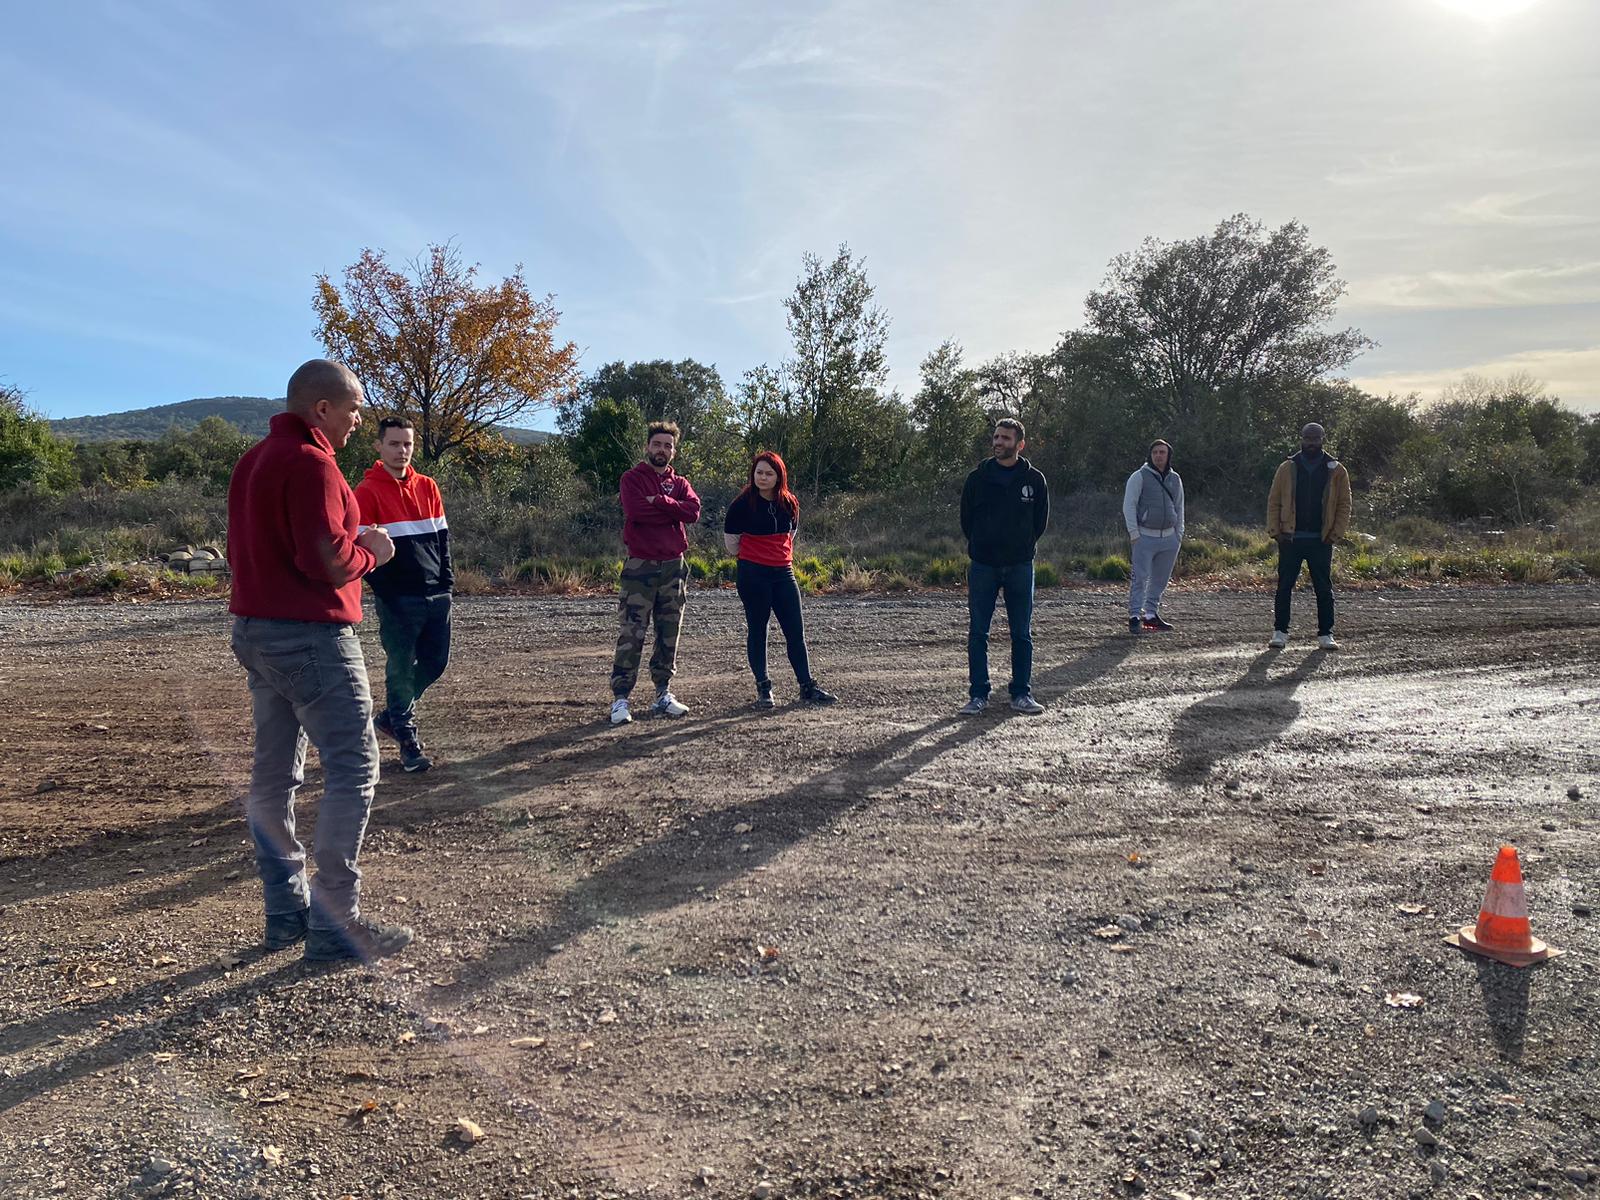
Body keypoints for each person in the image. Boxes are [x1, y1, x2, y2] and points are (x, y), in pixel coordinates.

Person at [226, 358, 414, 963]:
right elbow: (326, 562)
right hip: (312, 635)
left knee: (274, 775)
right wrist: (373, 554)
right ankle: (336, 924)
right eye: (354, 408)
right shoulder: (314, 465)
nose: (360, 418)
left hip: (254, 631)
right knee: (355, 765)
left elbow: (249, 552)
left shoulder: (251, 461)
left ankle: (286, 913)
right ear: (321, 409)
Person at [353, 417, 453, 773]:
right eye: (394, 444)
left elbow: (442, 541)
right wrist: (386, 592)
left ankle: (390, 717)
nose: (402, 451)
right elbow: (363, 549)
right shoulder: (366, 492)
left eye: (407, 444)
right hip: (398, 599)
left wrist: (447, 584)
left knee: (436, 662)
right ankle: (407, 739)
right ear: (379, 447)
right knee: (399, 667)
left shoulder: (428, 486)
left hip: (436, 595)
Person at [722, 451, 838, 708]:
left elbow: (790, 534)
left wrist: (775, 556)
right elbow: (732, 546)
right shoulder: (740, 505)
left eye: (769, 473)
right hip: (753, 574)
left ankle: (807, 686)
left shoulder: (790, 503)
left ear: (779, 476)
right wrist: (757, 555)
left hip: (783, 573)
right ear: (753, 474)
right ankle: (764, 689)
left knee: (795, 632)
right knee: (758, 629)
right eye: (759, 472)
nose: (763, 477)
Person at [610, 421, 702, 724]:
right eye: (658, 444)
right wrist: (670, 509)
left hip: (674, 566)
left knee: (668, 632)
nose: (662, 450)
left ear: (673, 451)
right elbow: (636, 511)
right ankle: (621, 699)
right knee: (632, 632)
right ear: (648, 447)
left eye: (668, 446)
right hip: (640, 566)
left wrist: (661, 501)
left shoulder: (680, 482)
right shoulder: (632, 478)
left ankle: (663, 693)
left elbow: (693, 511)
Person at [959, 417, 1049, 715]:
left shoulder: (1034, 480)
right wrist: (984, 546)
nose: (999, 442)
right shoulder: (977, 478)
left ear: (1019, 444)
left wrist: (1020, 546)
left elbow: (1040, 523)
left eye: (1006, 438)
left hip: (1020, 566)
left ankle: (1021, 694)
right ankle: (978, 695)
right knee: (978, 633)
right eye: (996, 437)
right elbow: (966, 520)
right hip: (983, 566)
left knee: (1021, 633)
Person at [1266, 422, 1352, 650]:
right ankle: (1280, 632)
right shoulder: (1287, 467)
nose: (1311, 442)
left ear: (1323, 438)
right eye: (1307, 438)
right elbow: (1274, 500)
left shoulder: (1336, 469)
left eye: (1315, 438)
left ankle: (1326, 634)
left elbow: (1344, 505)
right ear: (1301, 439)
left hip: (1321, 539)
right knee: (1284, 586)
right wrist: (1276, 532)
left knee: (1323, 588)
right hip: (1290, 538)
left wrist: (1335, 534)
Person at [1122, 439, 1185, 634]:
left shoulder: (1175, 479)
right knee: (1139, 577)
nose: (1159, 456)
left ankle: (1151, 614)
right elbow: (1129, 505)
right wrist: (1134, 534)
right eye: (1155, 452)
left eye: (1162, 452)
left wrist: (1179, 534)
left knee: (1160, 579)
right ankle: (1134, 616)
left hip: (1169, 538)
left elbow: (1180, 506)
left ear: (1168, 455)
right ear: (1150, 455)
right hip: (1144, 537)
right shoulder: (1139, 477)